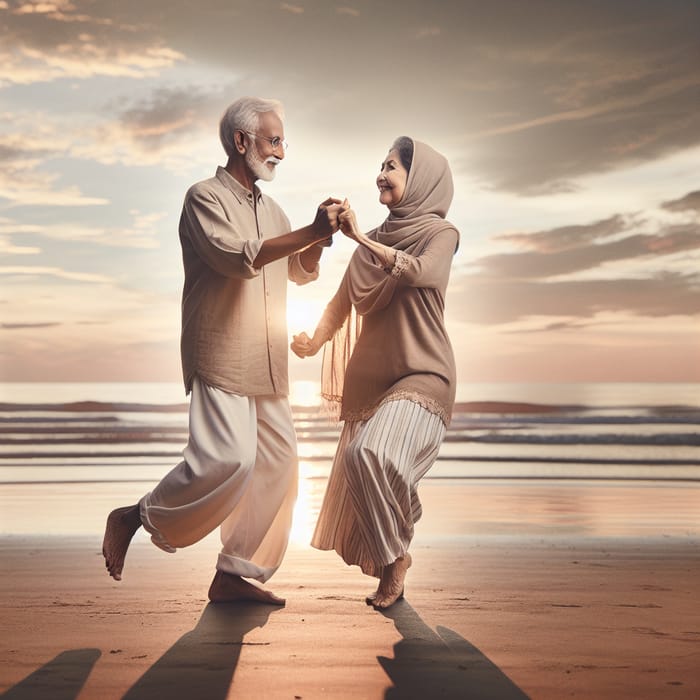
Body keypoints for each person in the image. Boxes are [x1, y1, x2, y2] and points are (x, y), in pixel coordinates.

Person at [102, 96, 343, 605]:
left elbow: (297, 272)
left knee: (280, 466)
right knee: (228, 460)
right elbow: (239, 258)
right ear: (242, 142)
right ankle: (134, 516)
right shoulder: (202, 198)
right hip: (221, 352)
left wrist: (321, 238)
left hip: (269, 362)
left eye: (282, 141)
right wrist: (310, 232)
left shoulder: (274, 210)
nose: (281, 151)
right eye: (274, 140)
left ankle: (233, 573)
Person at [291, 137, 459, 609]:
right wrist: (314, 340)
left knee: (371, 453)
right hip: (371, 383)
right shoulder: (371, 244)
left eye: (392, 167)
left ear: (420, 178)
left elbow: (419, 272)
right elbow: (340, 304)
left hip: (424, 373)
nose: (381, 174)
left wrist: (361, 238)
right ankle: (395, 558)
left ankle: (396, 552)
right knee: (360, 460)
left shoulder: (442, 234)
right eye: (380, 165)